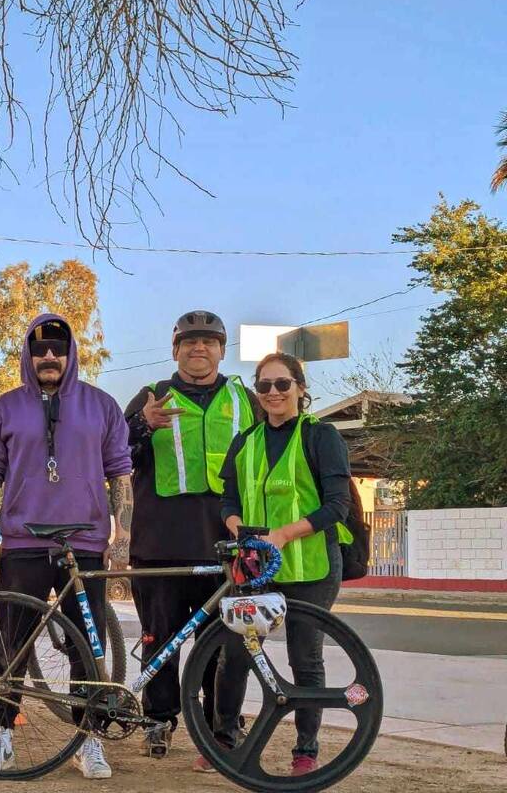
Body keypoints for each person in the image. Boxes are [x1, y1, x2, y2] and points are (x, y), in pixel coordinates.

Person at [0, 314, 133, 780]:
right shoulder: (4, 408)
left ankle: (89, 740)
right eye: (39, 349)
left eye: (57, 349)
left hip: (84, 543)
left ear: (71, 354)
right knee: (12, 646)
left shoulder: (102, 406)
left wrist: (120, 537)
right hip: (22, 541)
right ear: (28, 353)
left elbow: (121, 474)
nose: (48, 357)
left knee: (88, 648)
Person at [122, 310, 258, 769]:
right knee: (159, 638)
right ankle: (158, 719)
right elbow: (112, 451)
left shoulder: (247, 399)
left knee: (221, 642)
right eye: (189, 342)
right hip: (159, 545)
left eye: (209, 342)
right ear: (175, 349)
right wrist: (140, 425)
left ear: (222, 349)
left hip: (225, 546)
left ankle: (220, 723)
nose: (198, 349)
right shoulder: (151, 396)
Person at [219, 351, 353, 777]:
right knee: (235, 652)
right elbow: (228, 500)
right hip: (256, 568)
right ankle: (223, 738)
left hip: (311, 567)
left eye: (282, 384)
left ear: (299, 387)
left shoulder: (321, 436)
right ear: (256, 392)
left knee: (305, 659)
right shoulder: (246, 441)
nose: (273, 393)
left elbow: (338, 506)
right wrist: (240, 529)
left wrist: (281, 535)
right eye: (264, 386)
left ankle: (305, 749)